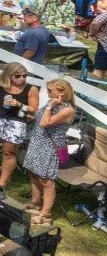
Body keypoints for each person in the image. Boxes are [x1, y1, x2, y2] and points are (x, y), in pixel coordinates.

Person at [23, 76, 76, 226]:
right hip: (37, 142)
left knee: (46, 180)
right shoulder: (51, 103)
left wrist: (50, 106)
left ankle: (45, 214)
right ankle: (35, 203)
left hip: (49, 146)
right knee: (34, 172)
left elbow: (46, 122)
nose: (47, 93)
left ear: (62, 92)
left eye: (50, 91)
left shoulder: (67, 110)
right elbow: (39, 118)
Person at [0, 63, 38, 191]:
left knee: (9, 153)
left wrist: (19, 104)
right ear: (8, 75)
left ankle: (2, 184)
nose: (22, 79)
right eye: (17, 76)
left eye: (24, 76)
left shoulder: (31, 89)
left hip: (16, 121)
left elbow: (33, 110)